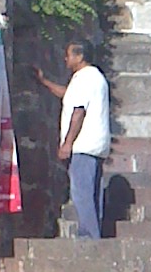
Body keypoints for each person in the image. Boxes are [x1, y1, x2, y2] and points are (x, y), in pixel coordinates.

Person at [34, 38, 110, 239]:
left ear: (80, 56)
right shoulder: (94, 78)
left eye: (69, 55)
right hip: (96, 145)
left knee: (82, 193)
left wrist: (67, 143)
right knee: (92, 194)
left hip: (83, 145)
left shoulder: (84, 78)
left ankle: (89, 236)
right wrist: (44, 82)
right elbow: (69, 95)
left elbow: (78, 111)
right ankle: (94, 233)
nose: (65, 59)